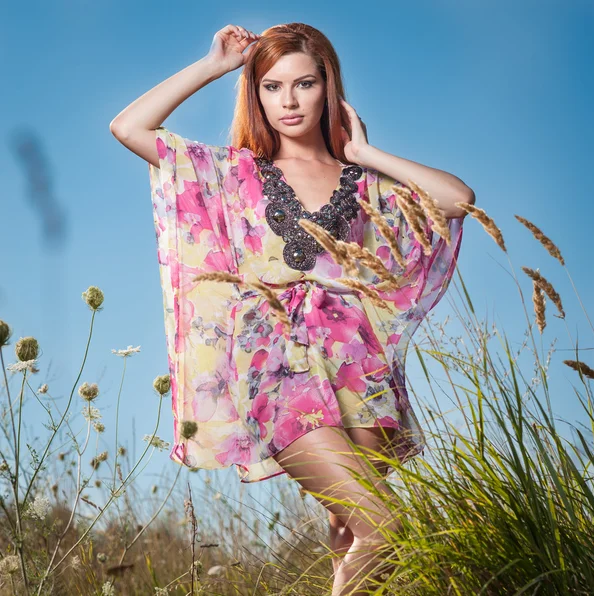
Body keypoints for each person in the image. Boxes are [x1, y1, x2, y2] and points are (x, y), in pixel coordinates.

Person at [110, 22, 475, 595]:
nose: (288, 101)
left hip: (358, 361)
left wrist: (364, 152)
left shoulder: (363, 180)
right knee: (386, 529)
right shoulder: (234, 171)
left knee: (348, 533)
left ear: (328, 87)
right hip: (275, 362)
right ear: (254, 94)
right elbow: (128, 127)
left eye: (304, 84)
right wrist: (214, 65)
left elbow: (457, 200)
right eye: (272, 86)